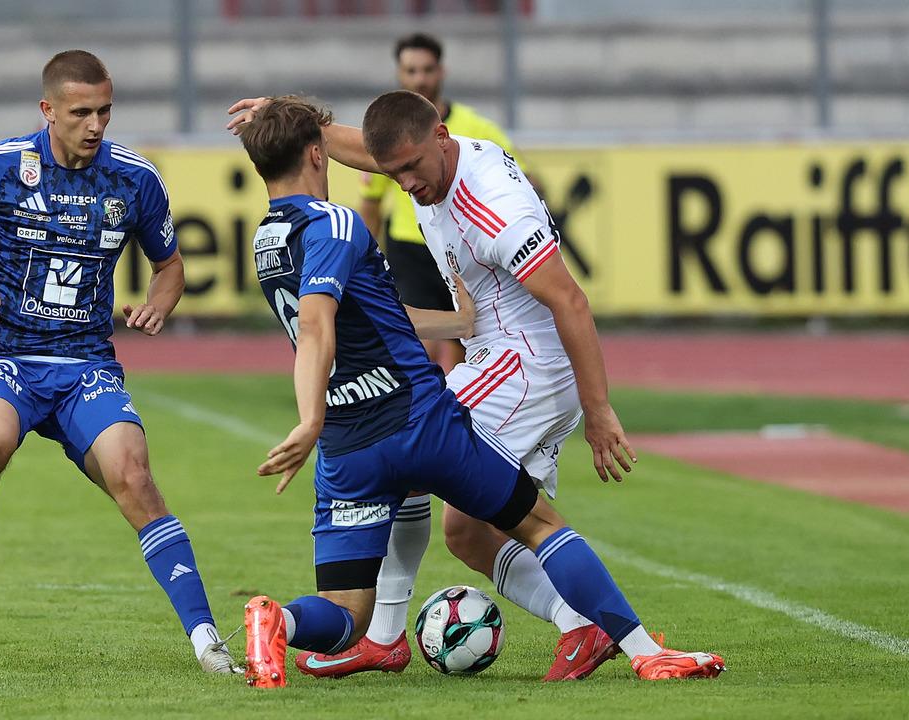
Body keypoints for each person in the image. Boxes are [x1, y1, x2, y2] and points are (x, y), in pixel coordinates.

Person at [231, 95, 724, 688]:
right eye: (393, 174)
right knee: (463, 529)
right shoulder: (417, 166)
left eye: (412, 167)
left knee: (481, 488)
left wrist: (599, 411)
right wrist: (288, 117)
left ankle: (393, 638)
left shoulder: (494, 209)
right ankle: (574, 624)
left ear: (442, 137)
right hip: (485, 344)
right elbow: (370, 155)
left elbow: (569, 301)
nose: (406, 185)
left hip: (525, 362)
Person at [0, 49, 239, 675]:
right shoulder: (0, 167)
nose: (97, 124)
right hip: (2, 352)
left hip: (84, 362)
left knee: (134, 476)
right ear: (48, 110)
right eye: (82, 112)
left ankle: (208, 643)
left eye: (105, 109)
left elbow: (171, 266)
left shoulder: (134, 178)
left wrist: (160, 305)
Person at [362, 32, 534, 375]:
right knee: (419, 346)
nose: (419, 79)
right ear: (400, 74)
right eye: (411, 70)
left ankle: (452, 414)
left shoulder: (476, 128)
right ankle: (421, 413)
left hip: (463, 249)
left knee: (464, 346)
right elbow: (372, 201)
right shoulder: (391, 134)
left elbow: (519, 178)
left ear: (441, 71)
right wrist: (366, 260)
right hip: (411, 248)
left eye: (426, 69)